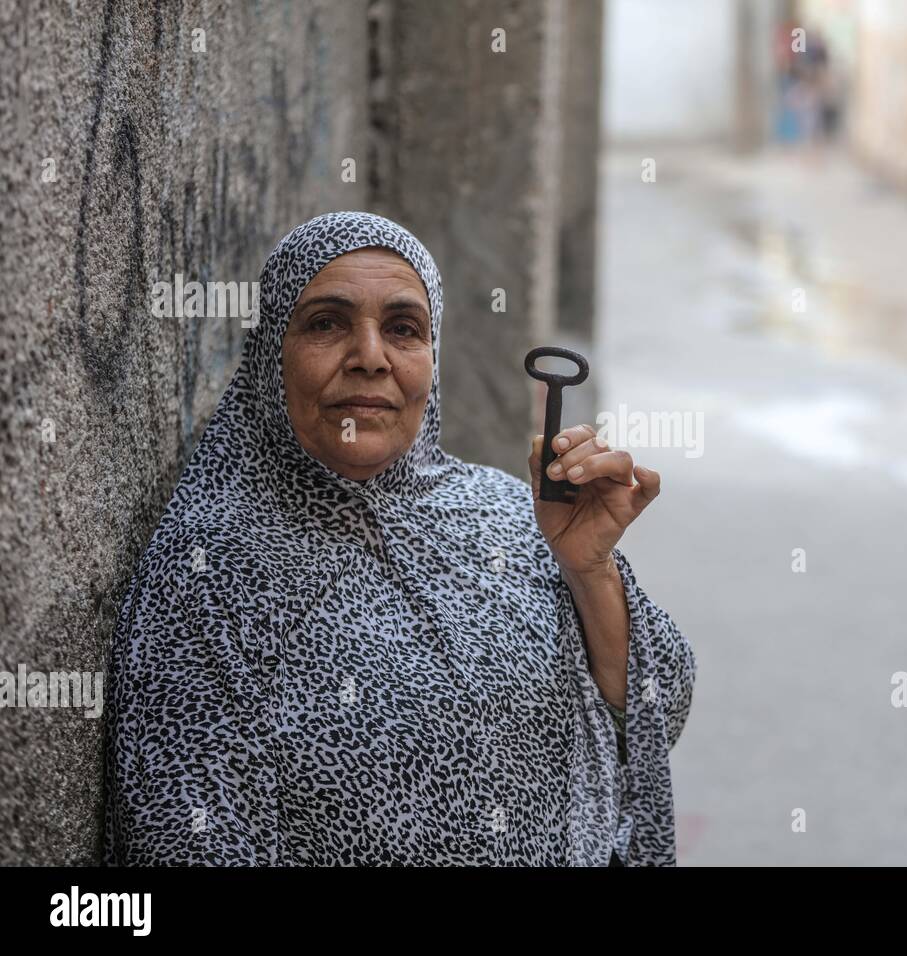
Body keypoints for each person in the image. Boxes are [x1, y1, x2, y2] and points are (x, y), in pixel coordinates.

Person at [102, 211, 696, 866]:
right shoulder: (213, 566)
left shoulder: (504, 512)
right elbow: (186, 839)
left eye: (403, 329)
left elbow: (652, 714)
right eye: (326, 324)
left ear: (431, 360)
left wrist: (590, 571)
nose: (370, 357)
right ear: (273, 351)